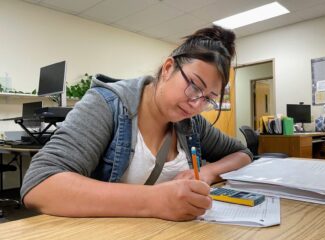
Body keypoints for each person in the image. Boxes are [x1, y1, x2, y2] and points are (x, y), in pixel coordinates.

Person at [21, 25, 253, 221]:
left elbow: (242, 154)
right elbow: (40, 185)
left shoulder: (191, 123)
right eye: (194, 86)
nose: (195, 104)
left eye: (208, 99)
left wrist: (207, 172)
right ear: (168, 68)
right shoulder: (106, 105)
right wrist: (157, 201)